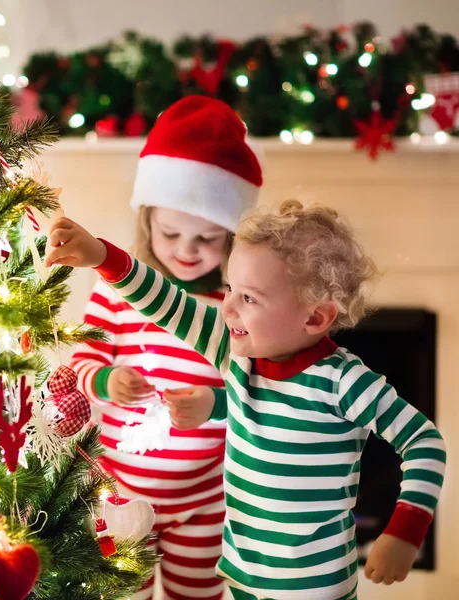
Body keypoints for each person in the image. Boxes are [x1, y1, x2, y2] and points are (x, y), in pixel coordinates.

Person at [46, 199, 446, 600]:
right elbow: (168, 302)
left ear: (314, 318)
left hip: (313, 587)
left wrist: (405, 531)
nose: (228, 307)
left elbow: (424, 442)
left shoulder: (344, 382)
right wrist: (102, 256)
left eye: (249, 298)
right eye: (230, 289)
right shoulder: (237, 356)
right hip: (242, 578)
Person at [69, 96, 263, 600]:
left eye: (208, 238)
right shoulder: (117, 290)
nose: (187, 249)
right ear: (148, 220)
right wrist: (107, 381)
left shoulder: (235, 307)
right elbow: (83, 361)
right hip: (121, 497)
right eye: (171, 232)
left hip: (207, 502)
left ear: (233, 239)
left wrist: (211, 404)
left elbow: (257, 390)